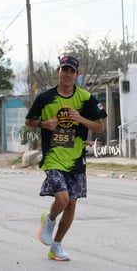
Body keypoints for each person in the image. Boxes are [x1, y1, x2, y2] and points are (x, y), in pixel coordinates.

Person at [25, 56, 107, 261]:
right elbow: (30, 120)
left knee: (71, 204)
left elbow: (100, 127)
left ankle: (57, 245)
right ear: (58, 71)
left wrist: (80, 119)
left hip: (76, 158)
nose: (68, 74)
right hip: (53, 156)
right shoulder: (45, 98)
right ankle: (50, 218)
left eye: (72, 71)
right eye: (64, 70)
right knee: (62, 199)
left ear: (77, 75)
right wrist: (45, 124)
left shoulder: (86, 98)